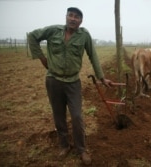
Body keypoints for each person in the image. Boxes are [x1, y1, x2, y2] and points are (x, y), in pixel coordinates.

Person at [28, 7, 112, 165]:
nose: (73, 19)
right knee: (58, 115)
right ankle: (64, 145)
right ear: (66, 17)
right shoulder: (53, 31)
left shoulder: (84, 35)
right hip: (53, 80)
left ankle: (81, 149)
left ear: (81, 21)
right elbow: (32, 36)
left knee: (77, 116)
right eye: (70, 15)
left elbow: (93, 55)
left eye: (77, 17)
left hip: (73, 82)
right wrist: (41, 58)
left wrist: (102, 78)